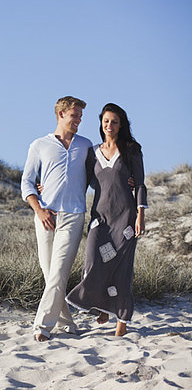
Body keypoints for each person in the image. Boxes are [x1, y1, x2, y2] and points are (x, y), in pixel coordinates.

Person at [66, 103, 147, 336]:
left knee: (121, 269)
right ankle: (101, 306)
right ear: (101, 123)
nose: (109, 125)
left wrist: (141, 215)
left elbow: (140, 184)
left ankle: (121, 319)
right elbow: (86, 181)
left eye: (114, 121)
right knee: (93, 262)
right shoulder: (93, 152)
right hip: (100, 219)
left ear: (121, 125)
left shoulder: (131, 149)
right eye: (106, 121)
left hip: (126, 219)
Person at [21, 96, 92, 342]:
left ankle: (42, 326)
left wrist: (125, 179)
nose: (78, 121)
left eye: (81, 117)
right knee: (49, 273)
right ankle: (68, 325)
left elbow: (99, 176)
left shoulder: (85, 145)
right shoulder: (39, 145)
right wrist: (39, 209)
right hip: (45, 216)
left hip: (73, 215)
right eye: (75, 116)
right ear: (60, 114)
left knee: (59, 273)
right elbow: (27, 183)